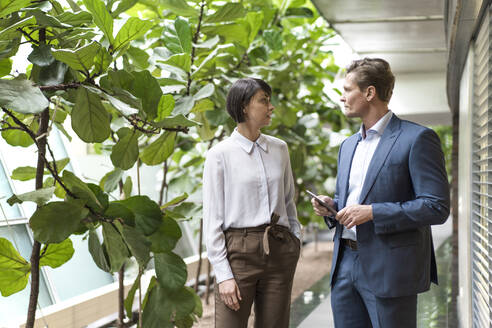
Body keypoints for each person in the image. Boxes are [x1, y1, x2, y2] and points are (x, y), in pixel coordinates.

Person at [311, 58, 450, 328]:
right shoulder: (347, 146)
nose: (342, 97)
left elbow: (436, 206)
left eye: (348, 89)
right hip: (344, 264)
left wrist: (373, 213)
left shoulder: (417, 139)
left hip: (391, 267)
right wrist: (333, 206)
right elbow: (355, 201)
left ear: (369, 92)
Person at [203, 77, 301, 328]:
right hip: (238, 252)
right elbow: (213, 220)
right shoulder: (219, 155)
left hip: (278, 248)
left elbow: (289, 202)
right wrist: (224, 275)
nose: (271, 107)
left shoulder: (280, 149)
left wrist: (294, 242)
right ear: (244, 106)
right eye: (264, 101)